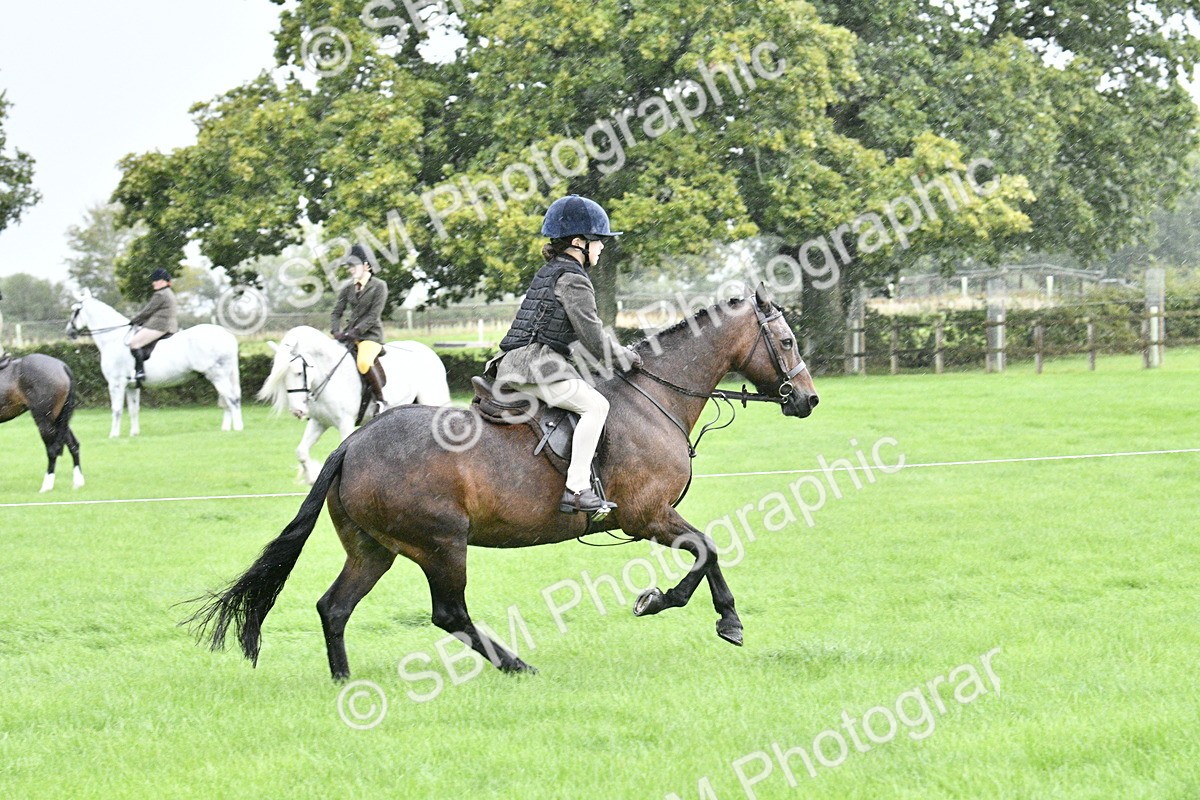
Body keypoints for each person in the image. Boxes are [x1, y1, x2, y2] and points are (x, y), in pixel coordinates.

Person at [492, 194, 642, 514]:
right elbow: (593, 338)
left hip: (513, 363)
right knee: (596, 406)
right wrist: (625, 358)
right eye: (598, 240)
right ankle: (576, 489)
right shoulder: (573, 278)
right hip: (535, 366)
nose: (602, 246)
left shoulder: (549, 271)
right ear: (578, 243)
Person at [330, 244, 389, 408]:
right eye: (349, 266)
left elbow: (373, 315)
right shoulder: (347, 288)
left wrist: (357, 331)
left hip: (370, 336)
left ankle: (381, 401)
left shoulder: (379, 286)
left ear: (366, 265)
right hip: (350, 336)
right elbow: (336, 312)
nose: (350, 270)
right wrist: (336, 331)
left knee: (363, 362)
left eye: (353, 266)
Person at [128, 268, 179, 386]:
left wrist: (134, 321)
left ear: (163, 281)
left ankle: (140, 372)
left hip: (159, 326)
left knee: (134, 343)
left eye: (156, 280)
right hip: (169, 326)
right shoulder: (169, 293)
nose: (153, 283)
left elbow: (148, 311)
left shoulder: (160, 294)